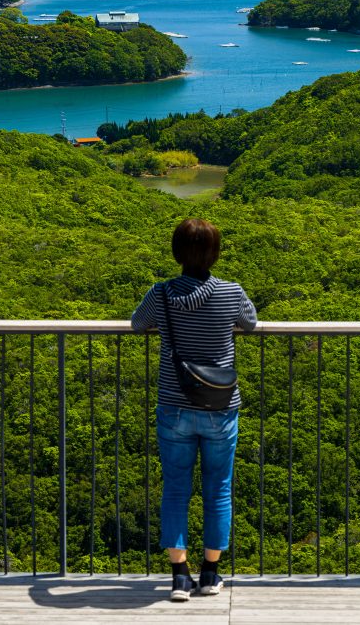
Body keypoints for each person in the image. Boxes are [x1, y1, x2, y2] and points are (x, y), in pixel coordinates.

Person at [131, 218, 257, 602]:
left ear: (176, 252)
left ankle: (179, 577)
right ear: (215, 254)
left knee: (175, 489)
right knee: (218, 490)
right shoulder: (231, 292)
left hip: (174, 405)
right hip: (220, 407)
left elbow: (138, 325)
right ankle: (211, 574)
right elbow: (249, 323)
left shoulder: (162, 293)